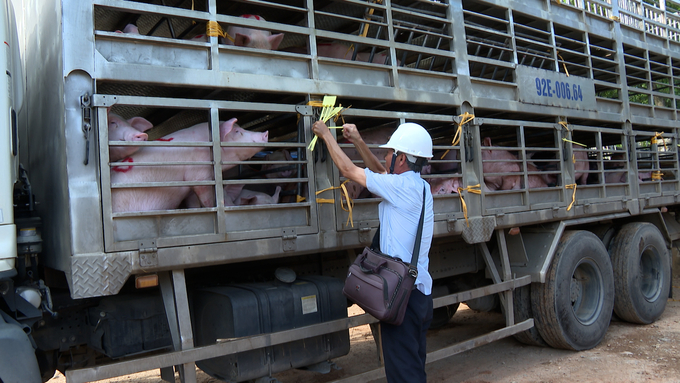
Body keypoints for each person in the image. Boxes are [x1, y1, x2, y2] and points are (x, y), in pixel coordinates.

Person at [311, 120, 434, 383]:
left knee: (404, 375)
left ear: (401, 158)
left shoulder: (401, 188)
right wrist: (357, 140)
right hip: (419, 295)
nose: (385, 156)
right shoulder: (419, 186)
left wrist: (326, 135)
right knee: (413, 368)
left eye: (389, 152)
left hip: (402, 298)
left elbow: (346, 168)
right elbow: (383, 174)